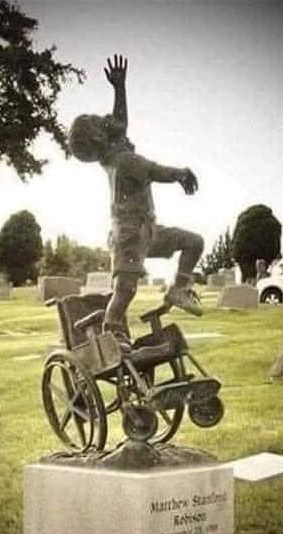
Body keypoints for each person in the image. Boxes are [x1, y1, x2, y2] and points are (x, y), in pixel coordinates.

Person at [69, 54, 204, 348]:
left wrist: (120, 88)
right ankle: (112, 329)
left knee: (194, 242)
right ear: (100, 138)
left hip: (146, 230)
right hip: (130, 234)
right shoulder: (124, 161)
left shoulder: (113, 155)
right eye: (100, 121)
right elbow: (155, 170)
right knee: (126, 289)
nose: (107, 119)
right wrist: (181, 173)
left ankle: (179, 289)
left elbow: (119, 124)